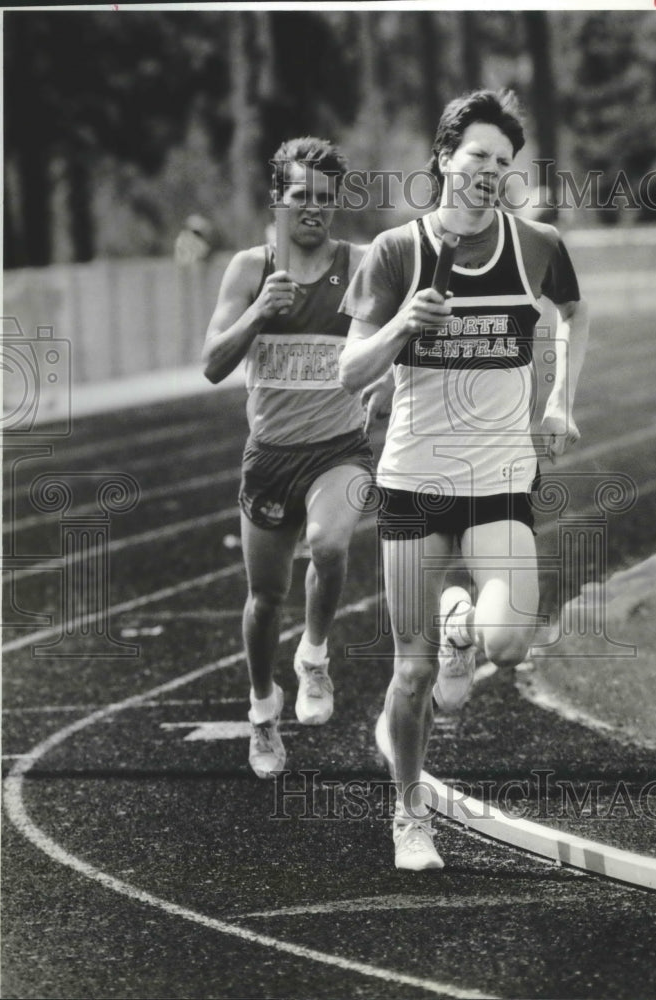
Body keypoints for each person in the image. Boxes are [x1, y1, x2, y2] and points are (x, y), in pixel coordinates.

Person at [339, 90, 589, 870]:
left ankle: (464, 632)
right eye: (477, 156)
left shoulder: (537, 244)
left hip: (500, 473)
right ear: (444, 158)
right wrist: (402, 326)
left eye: (503, 163)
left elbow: (578, 313)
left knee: (510, 644)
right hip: (415, 478)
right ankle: (409, 815)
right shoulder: (395, 251)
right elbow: (349, 373)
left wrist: (559, 400)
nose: (490, 173)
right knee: (410, 675)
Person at [202, 137, 376, 779]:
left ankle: (314, 655)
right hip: (271, 455)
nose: (314, 209)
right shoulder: (251, 269)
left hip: (339, 449)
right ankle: (261, 711)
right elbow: (213, 365)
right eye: (301, 196)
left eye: (325, 199)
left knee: (331, 547)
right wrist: (257, 315)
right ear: (278, 200)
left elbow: (389, 342)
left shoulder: (359, 265)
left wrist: (383, 382)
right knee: (263, 599)